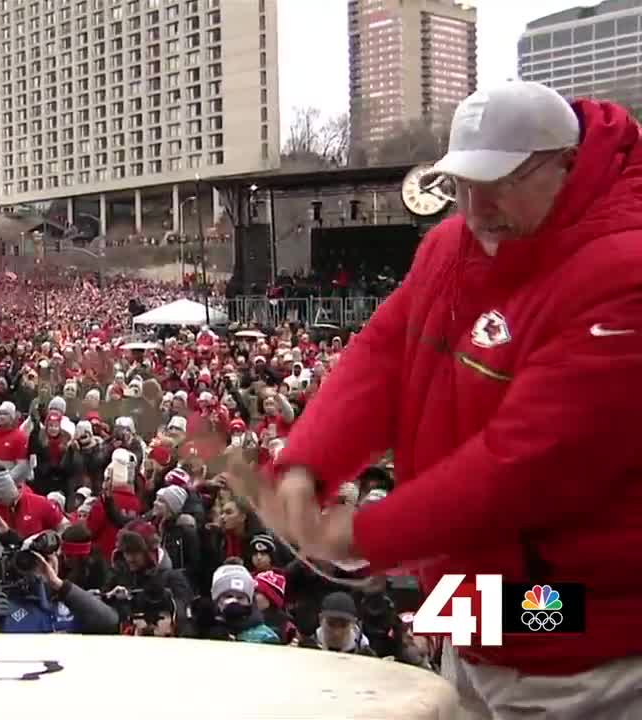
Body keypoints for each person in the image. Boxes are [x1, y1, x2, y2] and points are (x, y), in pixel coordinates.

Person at [233, 82, 642, 715]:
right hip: (478, 609)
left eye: (500, 183)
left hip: (583, 619)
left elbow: (527, 466)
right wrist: (307, 464)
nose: (476, 208)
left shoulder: (623, 273)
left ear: (565, 163)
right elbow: (384, 355)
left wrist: (364, 533)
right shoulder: (450, 248)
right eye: (463, 185)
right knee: (459, 662)